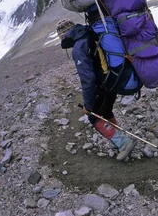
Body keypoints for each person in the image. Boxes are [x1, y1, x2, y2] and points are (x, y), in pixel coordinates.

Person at [56, 18, 137, 161]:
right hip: (113, 78)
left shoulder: (78, 47)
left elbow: (88, 79)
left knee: (94, 116)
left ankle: (124, 144)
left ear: (64, 35)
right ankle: (118, 137)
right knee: (105, 111)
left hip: (102, 84)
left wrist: (88, 105)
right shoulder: (89, 34)